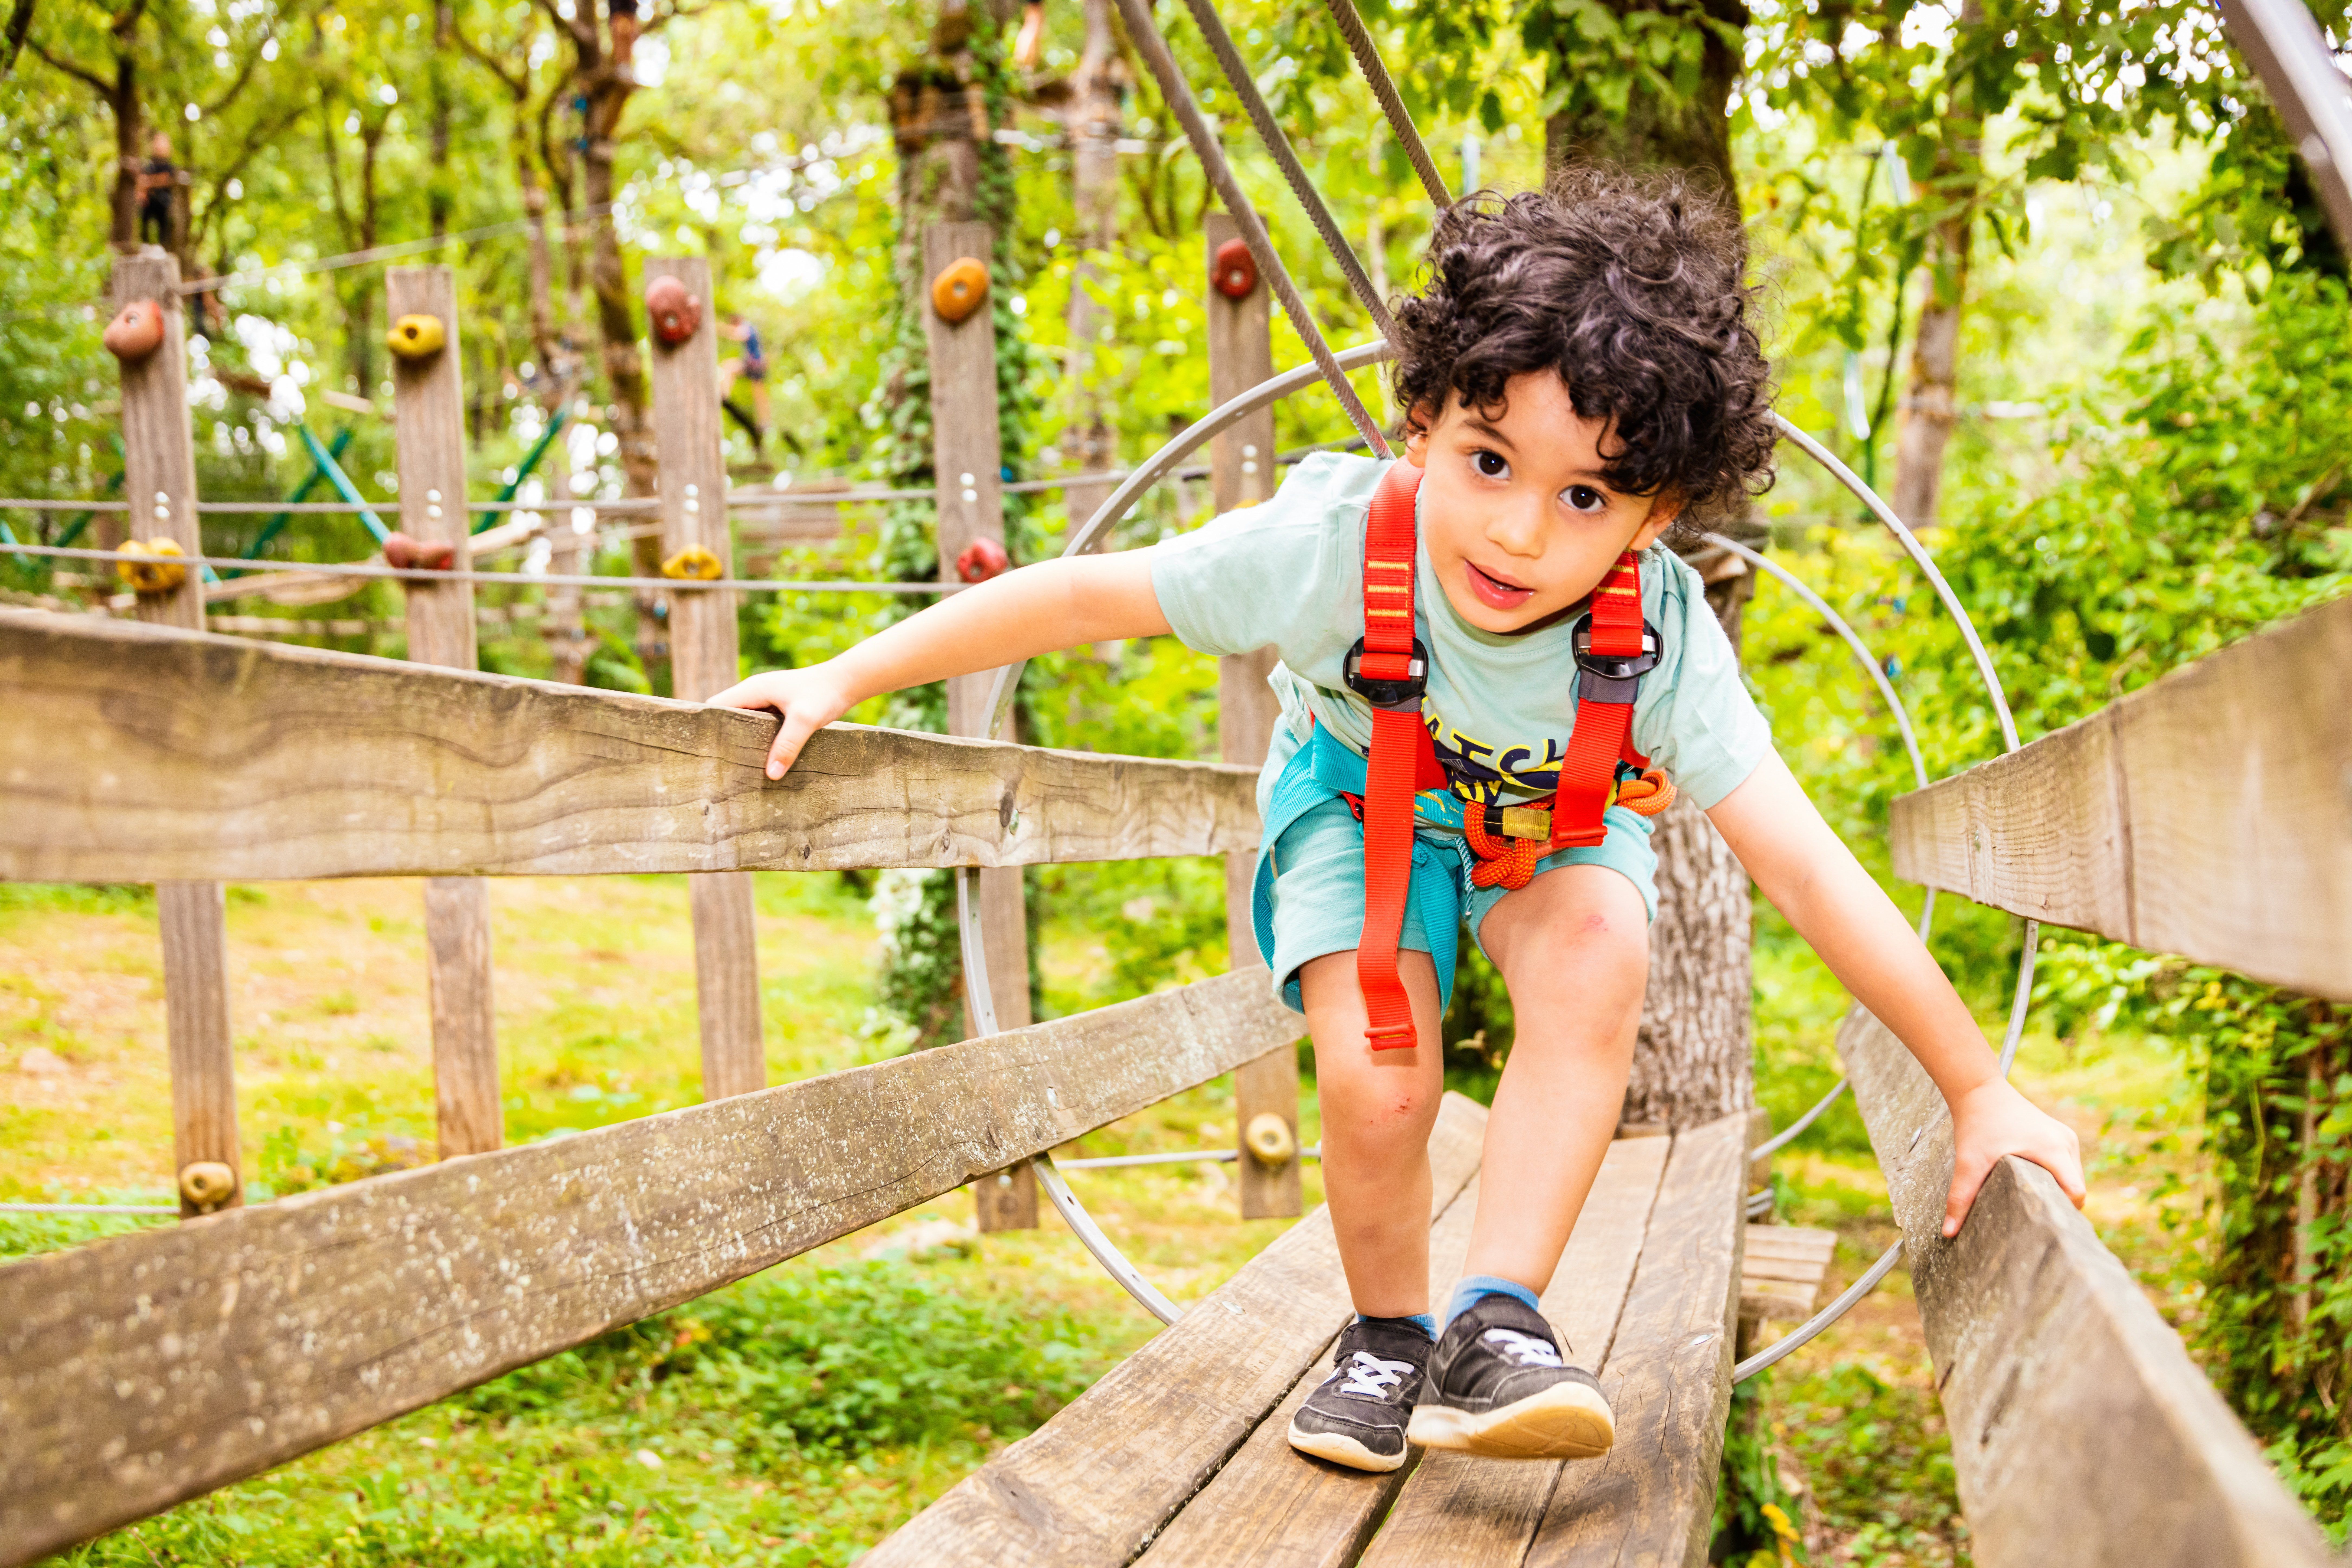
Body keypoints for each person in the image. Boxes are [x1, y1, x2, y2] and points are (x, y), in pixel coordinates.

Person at [707, 168, 2085, 1474]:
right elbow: (1078, 598)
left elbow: (1803, 864)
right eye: (1489, 460)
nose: (1521, 533)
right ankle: (1384, 1333)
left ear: (1652, 520)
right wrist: (845, 672)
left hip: (1554, 830)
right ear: (1419, 422)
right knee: (1379, 1068)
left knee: (1601, 949)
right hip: (1359, 800)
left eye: (1586, 496)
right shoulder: (1319, 550)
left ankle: (1498, 1321)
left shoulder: (1656, 647)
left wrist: (1977, 1088)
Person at [718, 312, 770, 443]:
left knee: (729, 368)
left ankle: (724, 395)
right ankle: (764, 422)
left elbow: (740, 335)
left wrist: (720, 328)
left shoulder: (747, 327)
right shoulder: (751, 328)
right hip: (756, 364)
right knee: (759, 394)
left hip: (755, 364)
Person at [136, 130, 179, 251]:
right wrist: (142, 192)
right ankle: (145, 246)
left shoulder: (169, 166)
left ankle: (162, 247)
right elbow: (141, 182)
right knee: (145, 221)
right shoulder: (149, 165)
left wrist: (149, 182)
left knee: (163, 225)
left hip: (163, 201)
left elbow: (165, 180)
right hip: (149, 201)